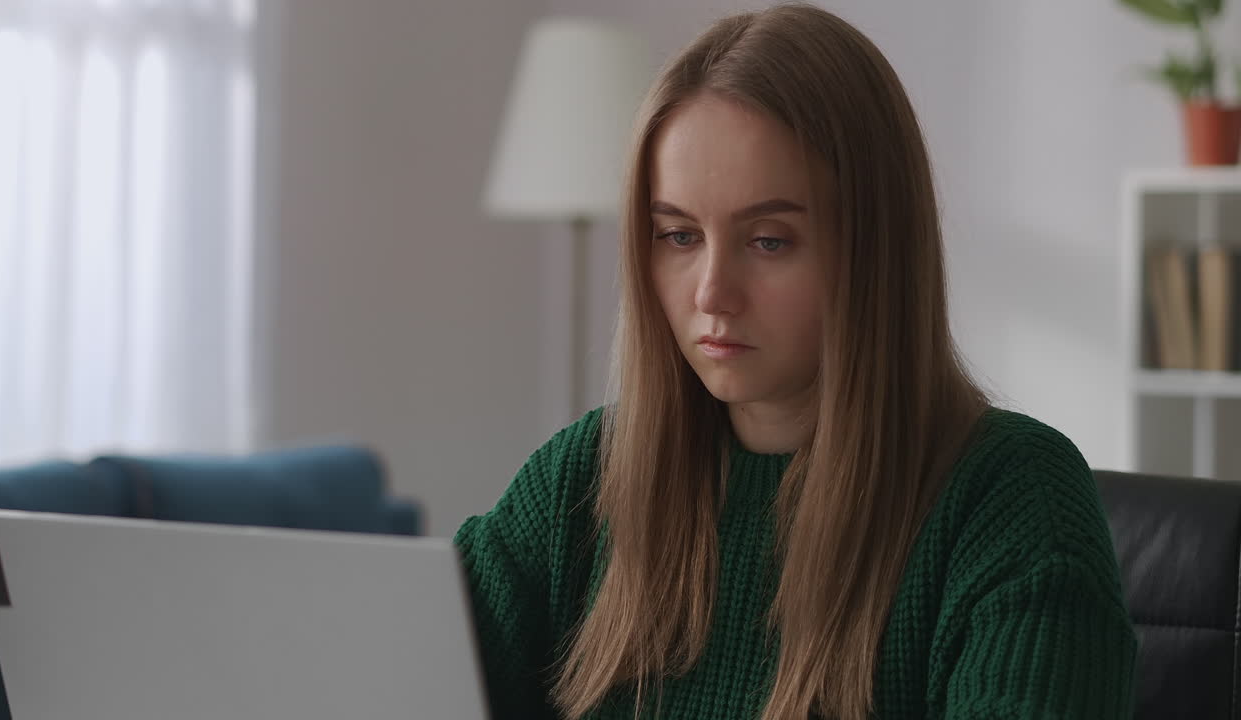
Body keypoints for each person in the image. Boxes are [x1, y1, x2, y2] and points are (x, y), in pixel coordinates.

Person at [454, 4, 1137, 719]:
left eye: (769, 241)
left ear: (874, 251)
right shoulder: (580, 482)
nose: (712, 293)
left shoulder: (1012, 500)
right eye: (680, 236)